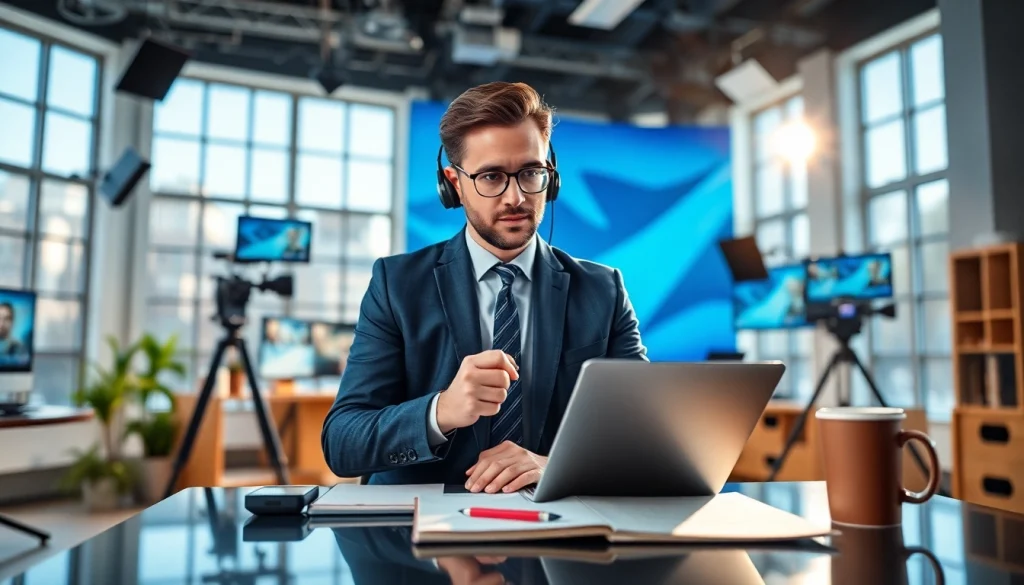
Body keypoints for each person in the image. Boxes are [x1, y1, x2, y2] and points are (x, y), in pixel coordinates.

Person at [321, 81, 648, 493]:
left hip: (554, 527)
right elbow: (342, 441)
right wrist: (440, 412)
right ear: (453, 183)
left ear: (552, 176)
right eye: (491, 176)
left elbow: (645, 438)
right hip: (419, 539)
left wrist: (553, 465)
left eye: (531, 172)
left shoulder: (603, 289)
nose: (515, 197)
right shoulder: (396, 285)